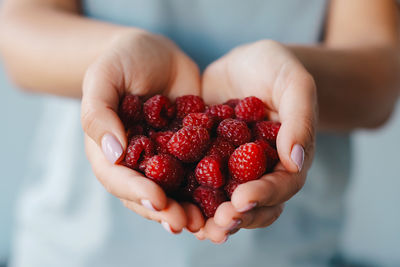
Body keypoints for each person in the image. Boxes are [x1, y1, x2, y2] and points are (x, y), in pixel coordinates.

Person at [0, 0, 399, 266]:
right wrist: (113, 58)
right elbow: (16, 31)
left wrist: (294, 74)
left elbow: (381, 77)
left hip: (287, 252)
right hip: (74, 245)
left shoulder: (219, 140)